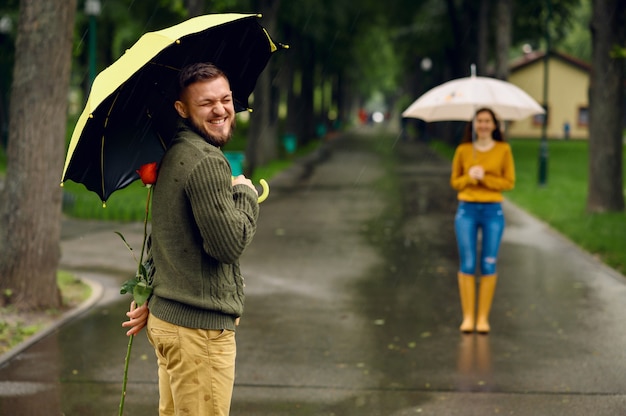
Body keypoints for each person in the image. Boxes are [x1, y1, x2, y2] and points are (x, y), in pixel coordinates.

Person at [122, 62, 259, 415]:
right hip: (199, 335)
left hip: (170, 324)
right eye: (206, 103)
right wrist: (244, 194)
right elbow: (228, 246)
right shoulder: (207, 162)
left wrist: (149, 295)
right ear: (182, 109)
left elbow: (166, 236)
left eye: (225, 99)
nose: (220, 110)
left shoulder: (173, 152)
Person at [450, 107, 515, 334]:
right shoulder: (463, 150)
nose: (484, 125)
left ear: (495, 125)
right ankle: (468, 317)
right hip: (466, 210)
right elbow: (455, 182)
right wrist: (469, 177)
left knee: (488, 263)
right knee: (467, 263)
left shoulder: (503, 150)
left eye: (488, 121)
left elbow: (509, 182)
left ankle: (482, 318)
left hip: (492, 212)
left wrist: (485, 178)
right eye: (480, 121)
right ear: (474, 124)